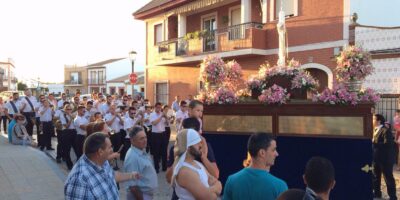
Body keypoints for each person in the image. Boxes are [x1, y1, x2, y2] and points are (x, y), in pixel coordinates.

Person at [64, 132, 139, 200]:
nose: (112, 150)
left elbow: (111, 176)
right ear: (100, 152)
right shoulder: (79, 180)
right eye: (110, 147)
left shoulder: (102, 161)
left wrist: (131, 175)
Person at [223, 133, 288, 200]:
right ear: (262, 153)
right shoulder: (280, 186)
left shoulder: (231, 180)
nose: (277, 154)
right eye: (273, 150)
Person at [166, 117, 219, 200]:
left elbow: (215, 176)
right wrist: (178, 158)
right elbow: (169, 179)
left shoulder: (205, 147)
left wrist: (204, 157)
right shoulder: (176, 150)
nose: (200, 145)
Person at [124, 126, 158, 200]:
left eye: (145, 137)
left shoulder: (140, 149)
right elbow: (133, 187)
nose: (145, 140)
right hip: (140, 196)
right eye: (141, 138)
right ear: (132, 140)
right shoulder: (132, 158)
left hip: (145, 195)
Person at [372, 114, 397, 200]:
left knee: (388, 178)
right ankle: (377, 193)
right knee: (376, 176)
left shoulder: (385, 130)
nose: (372, 121)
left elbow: (388, 144)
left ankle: (393, 196)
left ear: (378, 121)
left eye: (374, 119)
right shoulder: (374, 129)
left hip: (385, 159)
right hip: (376, 158)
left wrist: (374, 143)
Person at [150, 102, 167, 173]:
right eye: (158, 107)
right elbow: (154, 123)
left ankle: (164, 167)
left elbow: (167, 123)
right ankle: (156, 167)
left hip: (163, 134)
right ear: (155, 107)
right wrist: (161, 116)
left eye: (160, 108)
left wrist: (167, 118)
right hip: (155, 135)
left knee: (164, 151)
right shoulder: (152, 115)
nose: (159, 109)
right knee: (156, 152)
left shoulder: (162, 114)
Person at [59, 104, 77, 169]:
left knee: (77, 149)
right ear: (65, 110)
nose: (69, 110)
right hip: (66, 132)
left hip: (74, 132)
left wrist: (73, 118)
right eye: (67, 109)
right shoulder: (63, 116)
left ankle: (78, 164)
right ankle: (69, 165)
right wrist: (71, 119)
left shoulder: (74, 116)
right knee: (67, 150)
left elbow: (77, 124)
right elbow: (66, 126)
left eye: (70, 109)